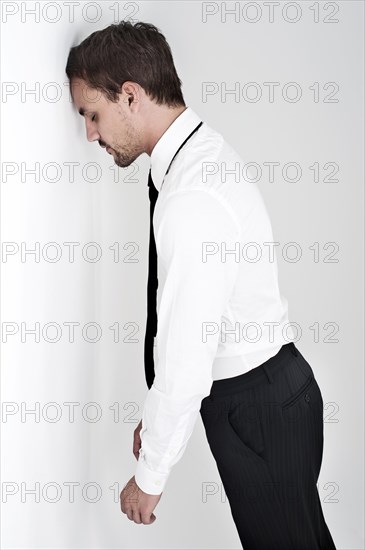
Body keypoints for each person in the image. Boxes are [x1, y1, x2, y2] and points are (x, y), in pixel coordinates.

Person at [65, 20, 337, 549]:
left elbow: (187, 352)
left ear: (130, 95)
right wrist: (158, 420)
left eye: (92, 115)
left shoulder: (192, 195)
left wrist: (151, 476)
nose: (90, 134)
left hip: (256, 407)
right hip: (268, 396)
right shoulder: (195, 162)